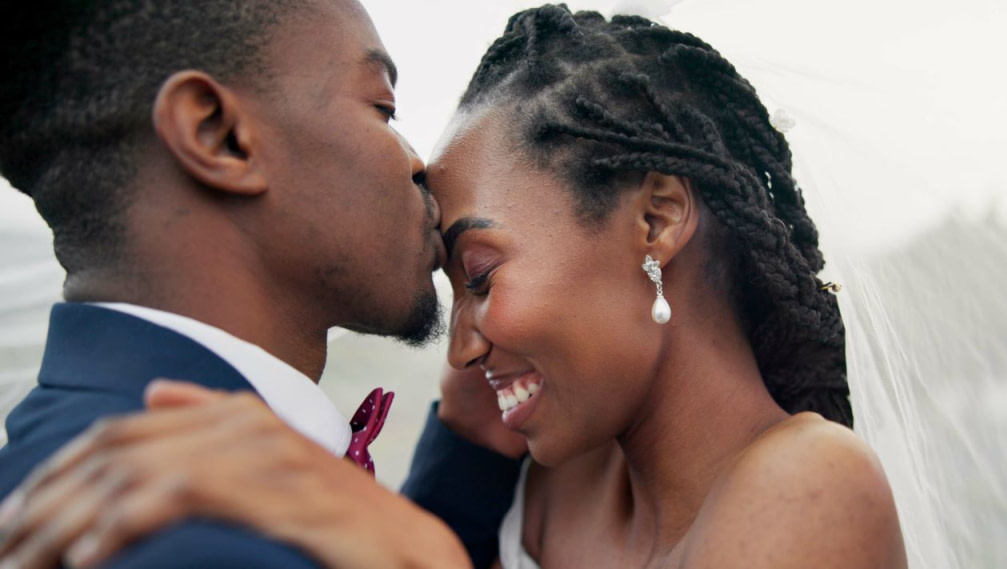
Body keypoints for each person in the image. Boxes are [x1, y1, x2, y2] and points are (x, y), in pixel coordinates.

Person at [1, 5, 907, 568]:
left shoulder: (793, 485)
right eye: (382, 107)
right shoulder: (172, 523)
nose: (461, 345)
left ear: (658, 222)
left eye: (478, 274)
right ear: (219, 135)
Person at [0, 1, 522, 568]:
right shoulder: (192, 539)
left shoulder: (75, 455)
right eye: (382, 107)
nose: (419, 161)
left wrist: (469, 450)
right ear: (219, 136)